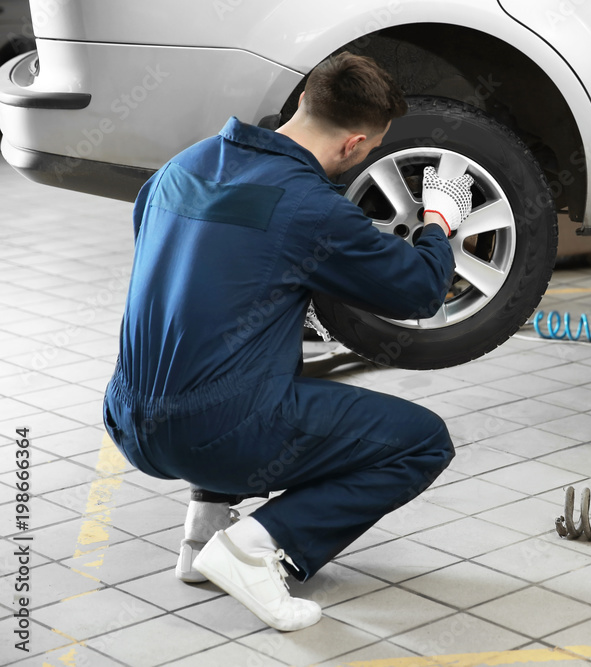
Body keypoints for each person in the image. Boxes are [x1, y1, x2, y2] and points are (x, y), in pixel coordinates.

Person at [102, 52, 475, 631]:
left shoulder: (180, 168)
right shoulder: (310, 207)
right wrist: (438, 223)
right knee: (422, 442)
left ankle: (203, 540)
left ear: (301, 101)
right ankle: (253, 550)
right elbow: (418, 290)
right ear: (354, 147)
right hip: (216, 435)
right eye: (370, 149)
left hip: (128, 418)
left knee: (236, 356)